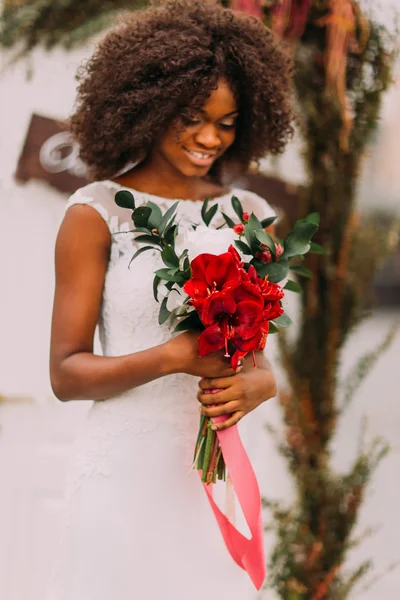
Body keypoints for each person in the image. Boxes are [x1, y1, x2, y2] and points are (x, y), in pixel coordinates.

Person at [48, 1, 294, 598]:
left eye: (228, 122)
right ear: (149, 101)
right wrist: (176, 356)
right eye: (192, 116)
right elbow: (65, 373)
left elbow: (252, 355)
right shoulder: (95, 213)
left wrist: (264, 382)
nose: (211, 137)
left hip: (215, 481)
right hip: (123, 481)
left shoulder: (253, 218)